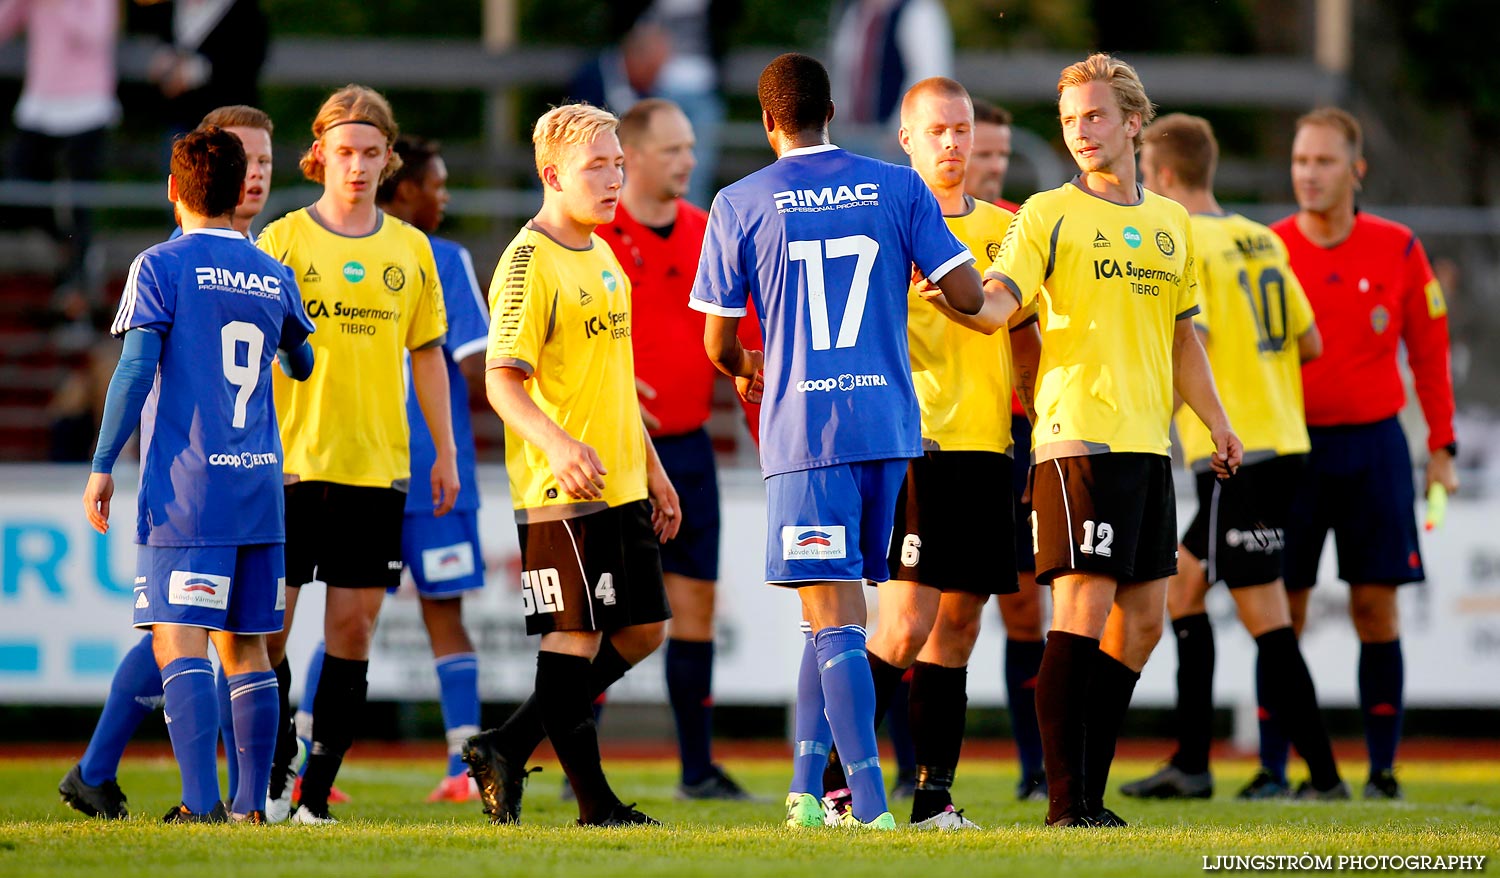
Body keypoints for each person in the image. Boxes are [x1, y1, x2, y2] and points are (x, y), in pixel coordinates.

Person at [691, 52, 986, 831]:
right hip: (890, 431)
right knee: (831, 611)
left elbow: (718, 347)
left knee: (836, 617)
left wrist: (753, 364)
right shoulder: (897, 185)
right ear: (831, 110)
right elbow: (967, 294)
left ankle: (869, 806)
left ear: (768, 122)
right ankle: (801, 792)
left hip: (805, 431)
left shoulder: (739, 200)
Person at [986, 53, 1242, 828]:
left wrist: (1218, 421)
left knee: (1143, 624)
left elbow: (1182, 339)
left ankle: (1088, 793)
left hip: (1148, 448)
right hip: (1076, 441)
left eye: (1094, 116)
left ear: (1134, 123)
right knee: (1081, 609)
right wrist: (968, 301)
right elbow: (1000, 300)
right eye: (1069, 120)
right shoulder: (1045, 213)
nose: (1080, 132)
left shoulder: (1171, 223)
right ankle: (1067, 804)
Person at [815, 76, 1033, 831]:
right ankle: (833, 787)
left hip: (989, 448)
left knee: (962, 624)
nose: (952, 144)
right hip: (918, 447)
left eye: (962, 130)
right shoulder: (884, 224)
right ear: (905, 140)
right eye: (936, 131)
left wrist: (1033, 400)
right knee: (904, 623)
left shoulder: (1009, 228)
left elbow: (1025, 327)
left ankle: (934, 799)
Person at [80, 125, 315, 823]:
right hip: (260, 488)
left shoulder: (160, 265)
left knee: (178, 635)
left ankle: (199, 803)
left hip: (189, 489)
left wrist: (101, 464)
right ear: (241, 185)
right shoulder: (273, 271)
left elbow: (133, 367)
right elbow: (303, 361)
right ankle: (249, 808)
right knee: (247, 647)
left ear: (174, 190)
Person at [461, 102, 681, 829]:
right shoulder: (528, 262)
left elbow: (615, 379)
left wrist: (654, 470)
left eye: (619, 163)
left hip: (621, 480)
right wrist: (557, 445)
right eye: (598, 167)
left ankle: (506, 742)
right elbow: (500, 380)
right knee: (576, 637)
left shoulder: (603, 252)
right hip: (565, 488)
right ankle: (596, 807)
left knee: (644, 631)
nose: (615, 178)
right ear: (552, 174)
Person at [1119, 112, 1347, 802]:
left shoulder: (1180, 237)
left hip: (1237, 453)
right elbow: (1307, 344)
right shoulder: (1259, 237)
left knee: (1258, 612)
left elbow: (1192, 340)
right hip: (1282, 442)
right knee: (1193, 591)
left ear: (1159, 176)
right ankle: (1196, 762)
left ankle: (1311, 776)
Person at [257, 84, 459, 825]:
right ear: (319, 156)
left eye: (372, 153)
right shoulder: (280, 241)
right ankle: (274, 764)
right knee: (265, 632)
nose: (358, 166)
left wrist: (445, 452)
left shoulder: (411, 250)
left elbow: (429, 355)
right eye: (344, 152)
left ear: (388, 159)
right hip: (288, 466)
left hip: (377, 469)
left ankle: (314, 796)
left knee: (352, 631)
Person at [1269, 107, 1457, 801]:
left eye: (1322, 161)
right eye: (1300, 161)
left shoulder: (1400, 248)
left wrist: (1442, 446)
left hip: (1375, 446)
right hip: (1289, 449)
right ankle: (1273, 768)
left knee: (1375, 609)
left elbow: (1430, 357)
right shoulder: (1269, 247)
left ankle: (1382, 771)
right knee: (1278, 610)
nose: (1308, 175)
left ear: (1356, 169)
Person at [595, 98, 751, 800]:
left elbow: (741, 342)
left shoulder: (707, 230)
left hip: (687, 450)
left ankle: (697, 770)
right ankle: (580, 766)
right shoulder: (592, 236)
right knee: (601, 613)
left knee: (696, 610)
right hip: (610, 453)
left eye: (691, 147)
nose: (689, 160)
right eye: (673, 149)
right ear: (632, 157)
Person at [967, 93, 1048, 802]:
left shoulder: (1025, 226)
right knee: (929, 612)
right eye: (978, 149)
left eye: (996, 153)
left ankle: (1035, 767)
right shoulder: (916, 220)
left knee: (1026, 608)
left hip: (1018, 436)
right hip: (944, 437)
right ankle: (910, 766)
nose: (987, 165)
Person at [2, 0, 120, 312]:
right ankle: (68, 248)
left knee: (79, 203)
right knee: (18, 186)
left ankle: (77, 282)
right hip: (40, 103)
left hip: (87, 105)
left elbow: (96, 34)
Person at [968, 99, 1019, 212]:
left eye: (1003, 155)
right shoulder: (924, 219)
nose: (998, 167)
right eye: (983, 155)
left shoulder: (1019, 221)